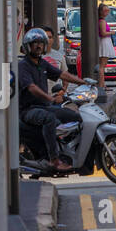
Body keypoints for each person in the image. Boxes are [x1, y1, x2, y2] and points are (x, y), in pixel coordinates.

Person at [18, 28, 90, 171]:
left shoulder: (42, 63)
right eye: (35, 43)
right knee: (49, 118)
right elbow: (31, 87)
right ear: (28, 46)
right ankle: (54, 160)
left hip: (45, 106)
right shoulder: (23, 65)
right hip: (28, 110)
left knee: (75, 116)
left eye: (41, 43)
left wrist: (84, 83)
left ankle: (68, 152)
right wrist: (49, 98)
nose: (38, 46)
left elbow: (62, 74)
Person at [96, 3, 114, 94]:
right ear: (101, 12)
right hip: (104, 42)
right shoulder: (102, 21)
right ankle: (101, 85)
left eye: (108, 10)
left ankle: (102, 84)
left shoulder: (100, 20)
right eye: (105, 10)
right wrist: (112, 32)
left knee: (102, 65)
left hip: (103, 42)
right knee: (102, 66)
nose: (107, 12)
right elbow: (103, 33)